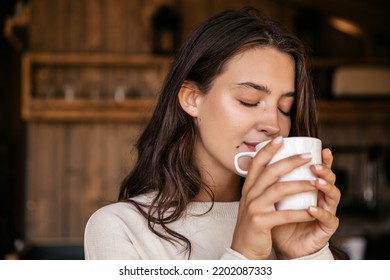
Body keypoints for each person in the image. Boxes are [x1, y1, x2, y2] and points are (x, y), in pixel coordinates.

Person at [84, 7, 342, 260]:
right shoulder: (120, 228)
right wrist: (244, 255)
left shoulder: (288, 223)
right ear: (192, 99)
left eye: (285, 108)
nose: (273, 124)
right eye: (249, 100)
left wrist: (306, 257)